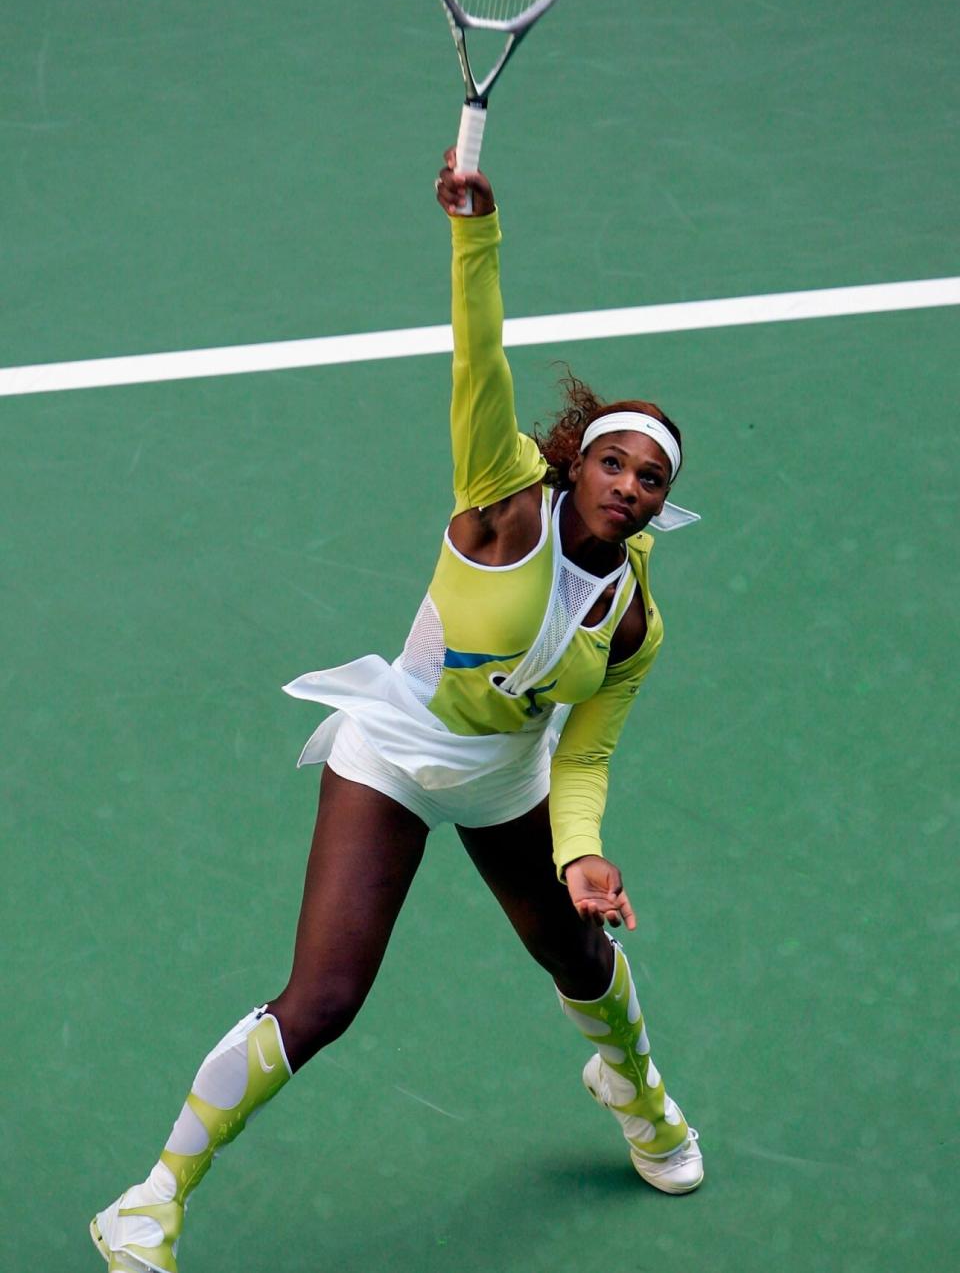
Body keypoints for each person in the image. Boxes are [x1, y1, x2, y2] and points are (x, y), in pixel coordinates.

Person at [90, 150, 703, 1273]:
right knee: (323, 996)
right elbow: (481, 355)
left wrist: (584, 851)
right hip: (396, 752)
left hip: (509, 772)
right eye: (611, 461)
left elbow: (586, 753)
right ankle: (150, 1196)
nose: (627, 483)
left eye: (650, 477)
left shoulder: (632, 622)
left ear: (663, 499)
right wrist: (477, 234)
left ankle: (639, 1088)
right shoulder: (500, 502)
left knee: (576, 950)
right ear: (576, 465)